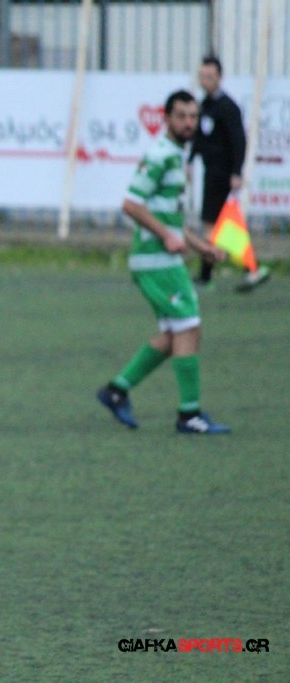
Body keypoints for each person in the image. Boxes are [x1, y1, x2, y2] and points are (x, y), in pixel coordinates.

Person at [97, 90, 232, 435]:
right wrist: (166, 236)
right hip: (155, 260)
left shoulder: (175, 156)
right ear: (166, 118)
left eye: (193, 116)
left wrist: (202, 247)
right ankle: (189, 415)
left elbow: (170, 220)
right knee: (189, 327)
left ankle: (117, 390)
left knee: (176, 335)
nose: (188, 123)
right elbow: (131, 204)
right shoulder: (160, 155)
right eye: (181, 116)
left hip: (161, 258)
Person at [188, 55, 270, 293]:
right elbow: (199, 138)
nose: (205, 80)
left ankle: (215, 274)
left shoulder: (228, 107)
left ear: (220, 78)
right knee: (223, 226)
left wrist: (236, 171)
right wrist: (190, 161)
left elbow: (238, 141)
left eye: (210, 76)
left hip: (223, 174)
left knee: (216, 225)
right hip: (210, 172)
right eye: (202, 76)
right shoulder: (204, 105)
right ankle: (248, 269)